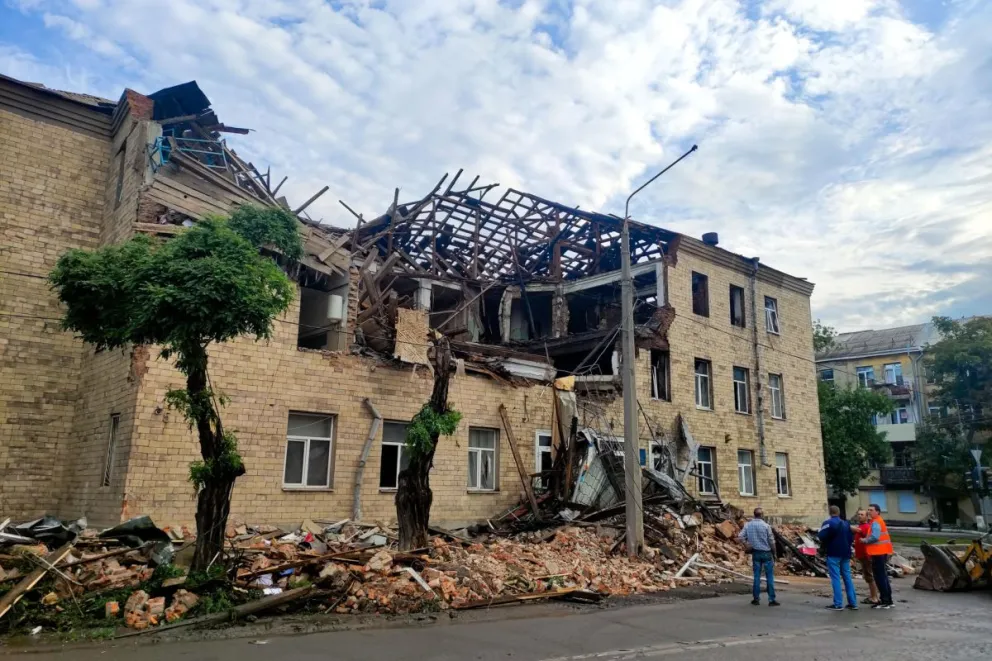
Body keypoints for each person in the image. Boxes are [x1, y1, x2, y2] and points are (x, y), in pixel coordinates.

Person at [738, 507, 779, 606]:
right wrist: (775, 553)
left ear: (754, 514)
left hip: (755, 553)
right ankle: (771, 600)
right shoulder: (766, 526)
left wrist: (747, 544)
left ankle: (756, 599)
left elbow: (740, 536)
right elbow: (771, 541)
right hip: (766, 553)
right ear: (762, 515)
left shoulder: (748, 525)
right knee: (769, 577)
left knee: (757, 576)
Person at [819, 505, 857, 610]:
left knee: (835, 578)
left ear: (830, 512)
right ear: (839, 512)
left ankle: (838, 603)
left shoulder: (828, 523)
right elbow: (851, 538)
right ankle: (853, 603)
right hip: (846, 553)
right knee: (847, 577)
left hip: (833, 553)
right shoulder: (846, 524)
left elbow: (821, 536)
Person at [862, 504, 895, 609]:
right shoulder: (877, 521)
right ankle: (887, 600)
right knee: (883, 576)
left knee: (880, 577)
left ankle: (885, 601)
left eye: (871, 510)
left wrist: (865, 540)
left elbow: (875, 537)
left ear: (877, 512)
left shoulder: (876, 522)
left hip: (878, 553)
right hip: (881, 552)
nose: (869, 512)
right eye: (868, 510)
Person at [852, 509, 880, 605]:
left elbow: (861, 532)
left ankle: (874, 597)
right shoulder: (861, 526)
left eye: (862, 514)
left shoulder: (865, 527)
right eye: (858, 514)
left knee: (869, 576)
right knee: (868, 576)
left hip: (866, 555)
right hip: (862, 555)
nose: (859, 516)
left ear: (867, 516)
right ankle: (873, 595)